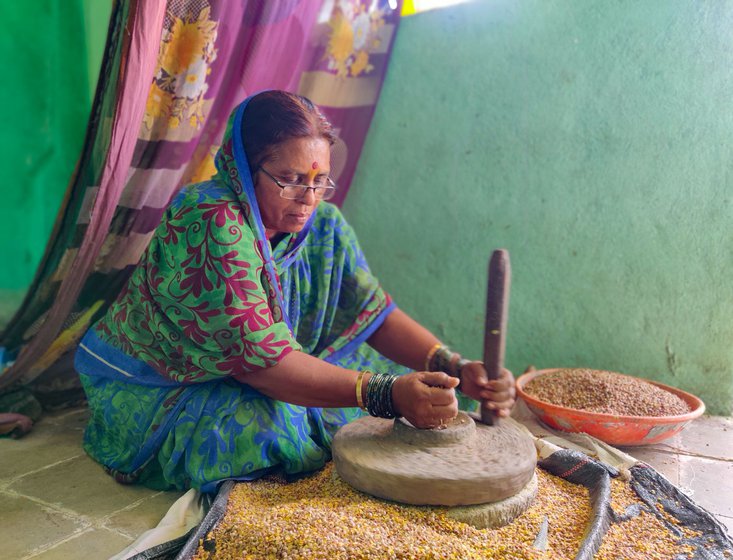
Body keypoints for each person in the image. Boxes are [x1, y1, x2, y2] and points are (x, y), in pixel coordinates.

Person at [74, 91, 516, 492]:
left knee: (379, 370)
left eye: (319, 179)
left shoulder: (322, 224)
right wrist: (387, 394)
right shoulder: (209, 221)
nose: (308, 197)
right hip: (165, 378)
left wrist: (454, 366)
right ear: (244, 169)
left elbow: (374, 313)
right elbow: (262, 368)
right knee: (272, 427)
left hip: (266, 362)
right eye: (289, 179)